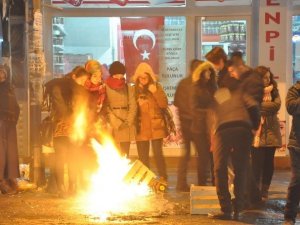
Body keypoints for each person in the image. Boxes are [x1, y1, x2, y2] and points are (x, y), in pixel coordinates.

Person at [208, 60, 261, 220]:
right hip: (242, 129)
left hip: (222, 131)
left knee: (219, 169)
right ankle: (238, 208)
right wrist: (253, 127)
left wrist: (212, 136)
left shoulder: (220, 93)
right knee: (241, 169)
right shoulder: (242, 92)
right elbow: (253, 109)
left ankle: (226, 209)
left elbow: (213, 113)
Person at [46, 66, 91, 197]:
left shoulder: (78, 90)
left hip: (74, 130)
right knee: (61, 158)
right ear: (74, 77)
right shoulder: (59, 87)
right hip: (62, 129)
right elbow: (60, 107)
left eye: (84, 82)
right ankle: (62, 188)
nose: (82, 84)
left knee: (73, 158)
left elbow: (83, 109)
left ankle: (72, 187)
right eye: (81, 81)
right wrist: (71, 117)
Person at [132, 62, 168, 183]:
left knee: (158, 154)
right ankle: (146, 180)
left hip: (156, 125)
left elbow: (164, 104)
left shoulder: (157, 87)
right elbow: (131, 108)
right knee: (143, 156)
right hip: (141, 127)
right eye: (140, 78)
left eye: (145, 77)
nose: (143, 80)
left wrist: (155, 92)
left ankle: (163, 177)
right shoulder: (134, 90)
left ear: (150, 77)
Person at [251, 66, 281, 201]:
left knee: (269, 163)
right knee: (256, 164)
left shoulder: (274, 91)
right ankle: (255, 191)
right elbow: (251, 106)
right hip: (257, 132)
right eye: (264, 77)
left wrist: (259, 107)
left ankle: (265, 190)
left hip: (271, 132)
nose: (267, 79)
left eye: (269, 77)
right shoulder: (251, 91)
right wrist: (262, 108)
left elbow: (276, 106)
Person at [174, 59, 201, 191]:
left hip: (185, 123)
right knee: (202, 154)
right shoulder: (199, 84)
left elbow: (177, 103)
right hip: (196, 124)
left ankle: (181, 183)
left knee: (186, 154)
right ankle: (202, 183)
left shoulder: (183, 83)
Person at [191, 61, 217, 186]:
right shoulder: (196, 87)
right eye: (206, 71)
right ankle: (201, 183)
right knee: (203, 157)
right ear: (201, 73)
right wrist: (208, 112)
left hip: (213, 127)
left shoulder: (214, 87)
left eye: (210, 71)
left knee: (214, 157)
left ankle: (215, 182)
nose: (209, 73)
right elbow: (193, 107)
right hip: (200, 128)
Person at [105, 61, 137, 156]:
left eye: (121, 75)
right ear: (112, 74)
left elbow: (133, 105)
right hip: (112, 124)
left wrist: (128, 121)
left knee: (125, 154)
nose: (119, 77)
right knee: (112, 153)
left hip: (126, 123)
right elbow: (106, 107)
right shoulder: (105, 87)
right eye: (117, 75)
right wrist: (116, 122)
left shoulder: (128, 87)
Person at [0, 65, 20, 194]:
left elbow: (16, 107)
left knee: (11, 152)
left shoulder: (10, 89)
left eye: (3, 73)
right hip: (0, 122)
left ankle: (11, 179)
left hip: (10, 123)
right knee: (1, 152)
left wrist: (14, 120)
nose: (1, 76)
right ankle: (1, 180)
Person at [284, 82, 300, 225]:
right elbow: (291, 108)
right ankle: (289, 216)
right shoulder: (294, 90)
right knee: (297, 179)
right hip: (297, 144)